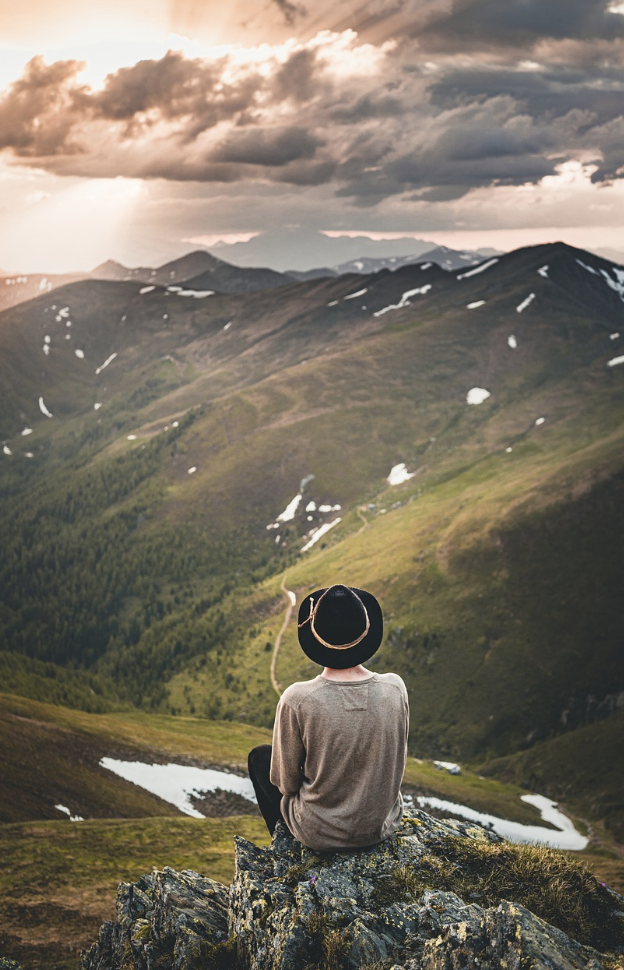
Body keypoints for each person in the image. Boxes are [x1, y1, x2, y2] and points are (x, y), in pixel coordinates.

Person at [248, 583, 409, 851]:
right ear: (365, 630)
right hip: (382, 827)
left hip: (319, 835)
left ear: (315, 635)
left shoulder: (297, 699)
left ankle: (285, 848)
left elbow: (285, 784)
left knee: (259, 758)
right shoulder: (395, 687)